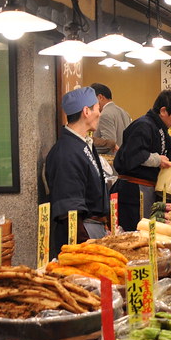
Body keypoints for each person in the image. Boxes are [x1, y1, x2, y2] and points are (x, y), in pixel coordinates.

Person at [113, 90, 171, 232]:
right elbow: (133, 154)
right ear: (164, 111)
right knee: (135, 233)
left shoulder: (159, 127)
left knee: (147, 231)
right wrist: (157, 160)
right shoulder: (143, 125)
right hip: (134, 191)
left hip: (148, 189)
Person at [44, 87, 108, 258]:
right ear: (86, 111)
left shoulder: (82, 144)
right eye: (97, 108)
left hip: (93, 230)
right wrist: (85, 246)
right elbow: (69, 209)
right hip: (81, 238)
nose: (99, 114)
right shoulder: (66, 152)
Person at [90, 83, 131, 154]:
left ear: (100, 97)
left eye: (91, 99)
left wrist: (89, 150)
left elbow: (108, 143)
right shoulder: (124, 112)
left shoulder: (105, 114)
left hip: (110, 161)